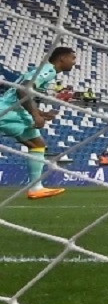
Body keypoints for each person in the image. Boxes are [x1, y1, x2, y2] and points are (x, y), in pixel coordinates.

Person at [4, 46, 76, 200]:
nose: (74, 62)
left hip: (14, 111)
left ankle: (36, 187)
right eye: (72, 58)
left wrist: (41, 113)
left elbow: (22, 93)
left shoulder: (45, 71)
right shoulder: (48, 70)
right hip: (8, 111)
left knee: (37, 144)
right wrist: (35, 115)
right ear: (61, 58)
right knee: (37, 143)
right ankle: (35, 187)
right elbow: (22, 90)